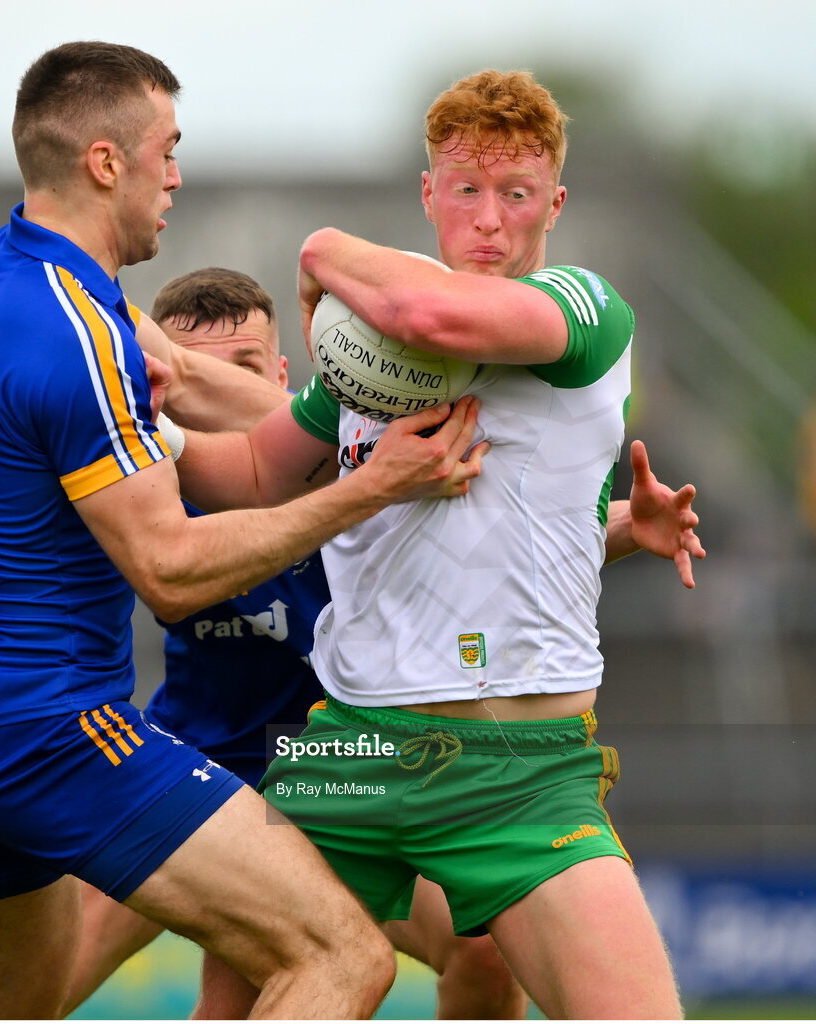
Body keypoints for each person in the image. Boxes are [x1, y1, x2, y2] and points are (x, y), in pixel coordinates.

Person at [0, 41, 488, 1021]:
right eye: (165, 148)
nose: (175, 174)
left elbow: (241, 466)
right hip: (51, 733)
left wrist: (359, 407)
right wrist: (371, 487)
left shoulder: (2, 280)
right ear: (103, 162)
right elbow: (169, 569)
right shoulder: (79, 334)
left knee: (6, 1009)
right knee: (340, 959)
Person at [256, 70, 705, 1020]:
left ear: (555, 204)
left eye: (516, 194)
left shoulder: (583, 307)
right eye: (465, 190)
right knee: (241, 1000)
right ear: (429, 196)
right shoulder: (363, 354)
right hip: (355, 743)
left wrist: (320, 248)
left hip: (520, 770)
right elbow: (252, 476)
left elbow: (433, 314)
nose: (490, 221)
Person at [64, 267, 528, 1020]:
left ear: (281, 376)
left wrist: (615, 532)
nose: (211, 389)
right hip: (187, 756)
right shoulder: (139, 483)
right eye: (192, 371)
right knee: (28, 987)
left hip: (324, 761)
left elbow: (491, 549)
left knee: (482, 946)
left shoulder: (364, 465)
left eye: (239, 368)